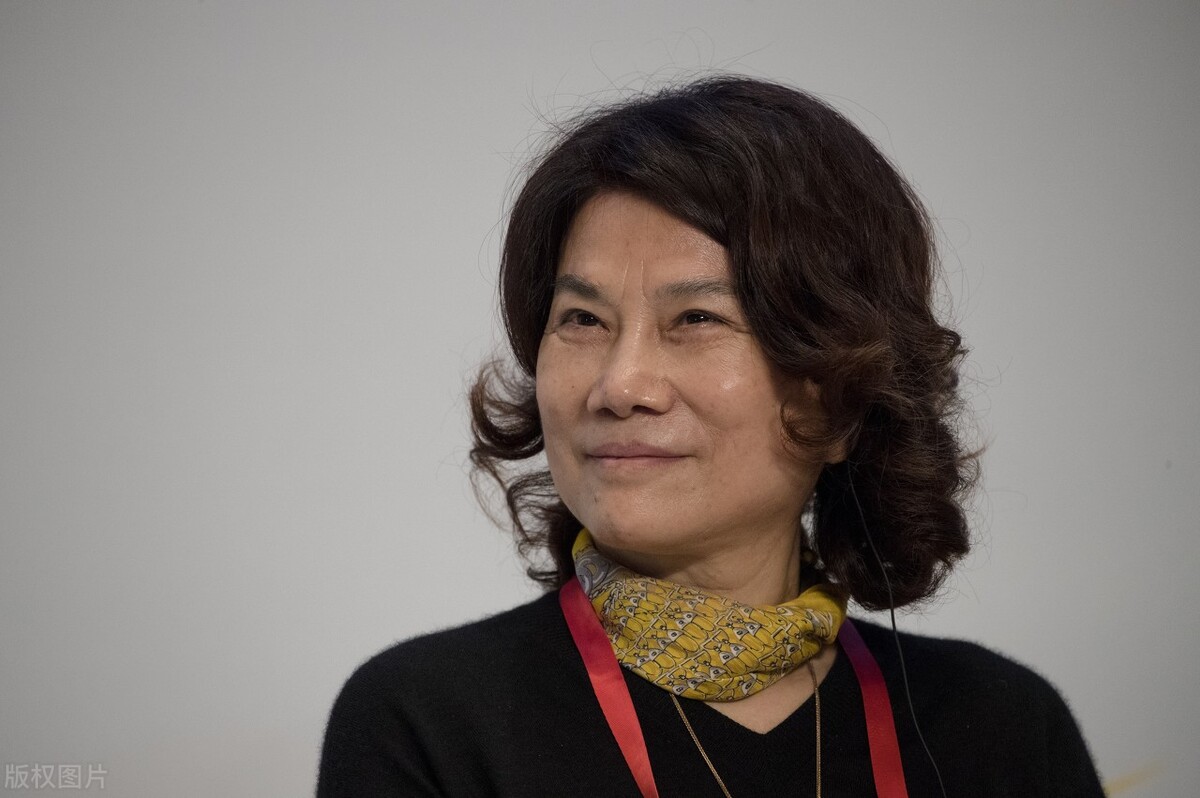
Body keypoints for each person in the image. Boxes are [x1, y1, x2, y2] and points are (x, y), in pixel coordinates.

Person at [317, 76, 1104, 797]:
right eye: (582, 319)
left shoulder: (999, 729)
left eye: (695, 318)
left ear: (839, 397)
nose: (620, 385)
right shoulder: (426, 723)